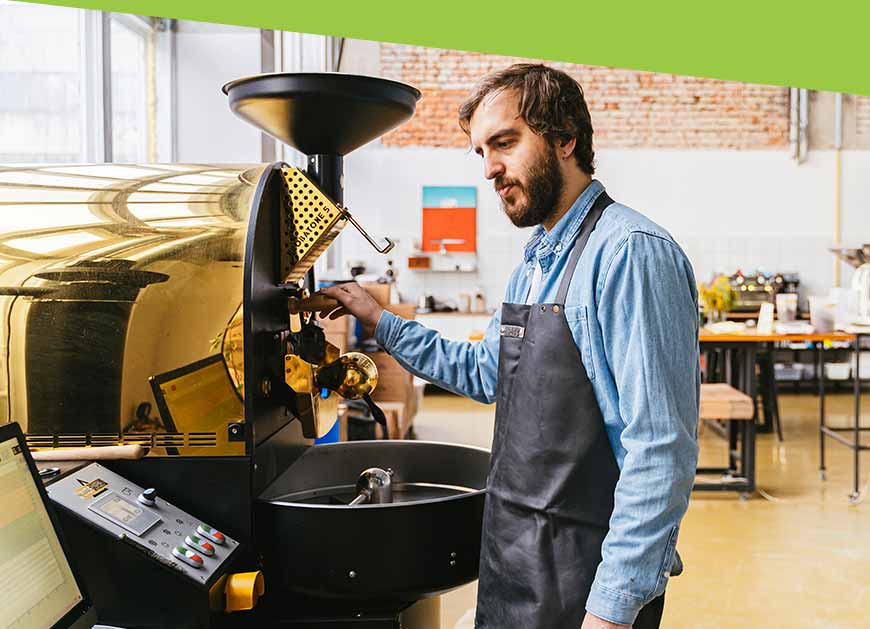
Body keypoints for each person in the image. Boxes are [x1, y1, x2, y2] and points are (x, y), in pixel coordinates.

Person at [319, 63, 700, 629]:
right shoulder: (536, 261)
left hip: (588, 584)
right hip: (519, 562)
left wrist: (612, 610)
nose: (491, 168)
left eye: (505, 142)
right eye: (480, 152)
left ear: (566, 138)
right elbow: (483, 371)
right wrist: (380, 320)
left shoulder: (629, 253)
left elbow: (660, 450)